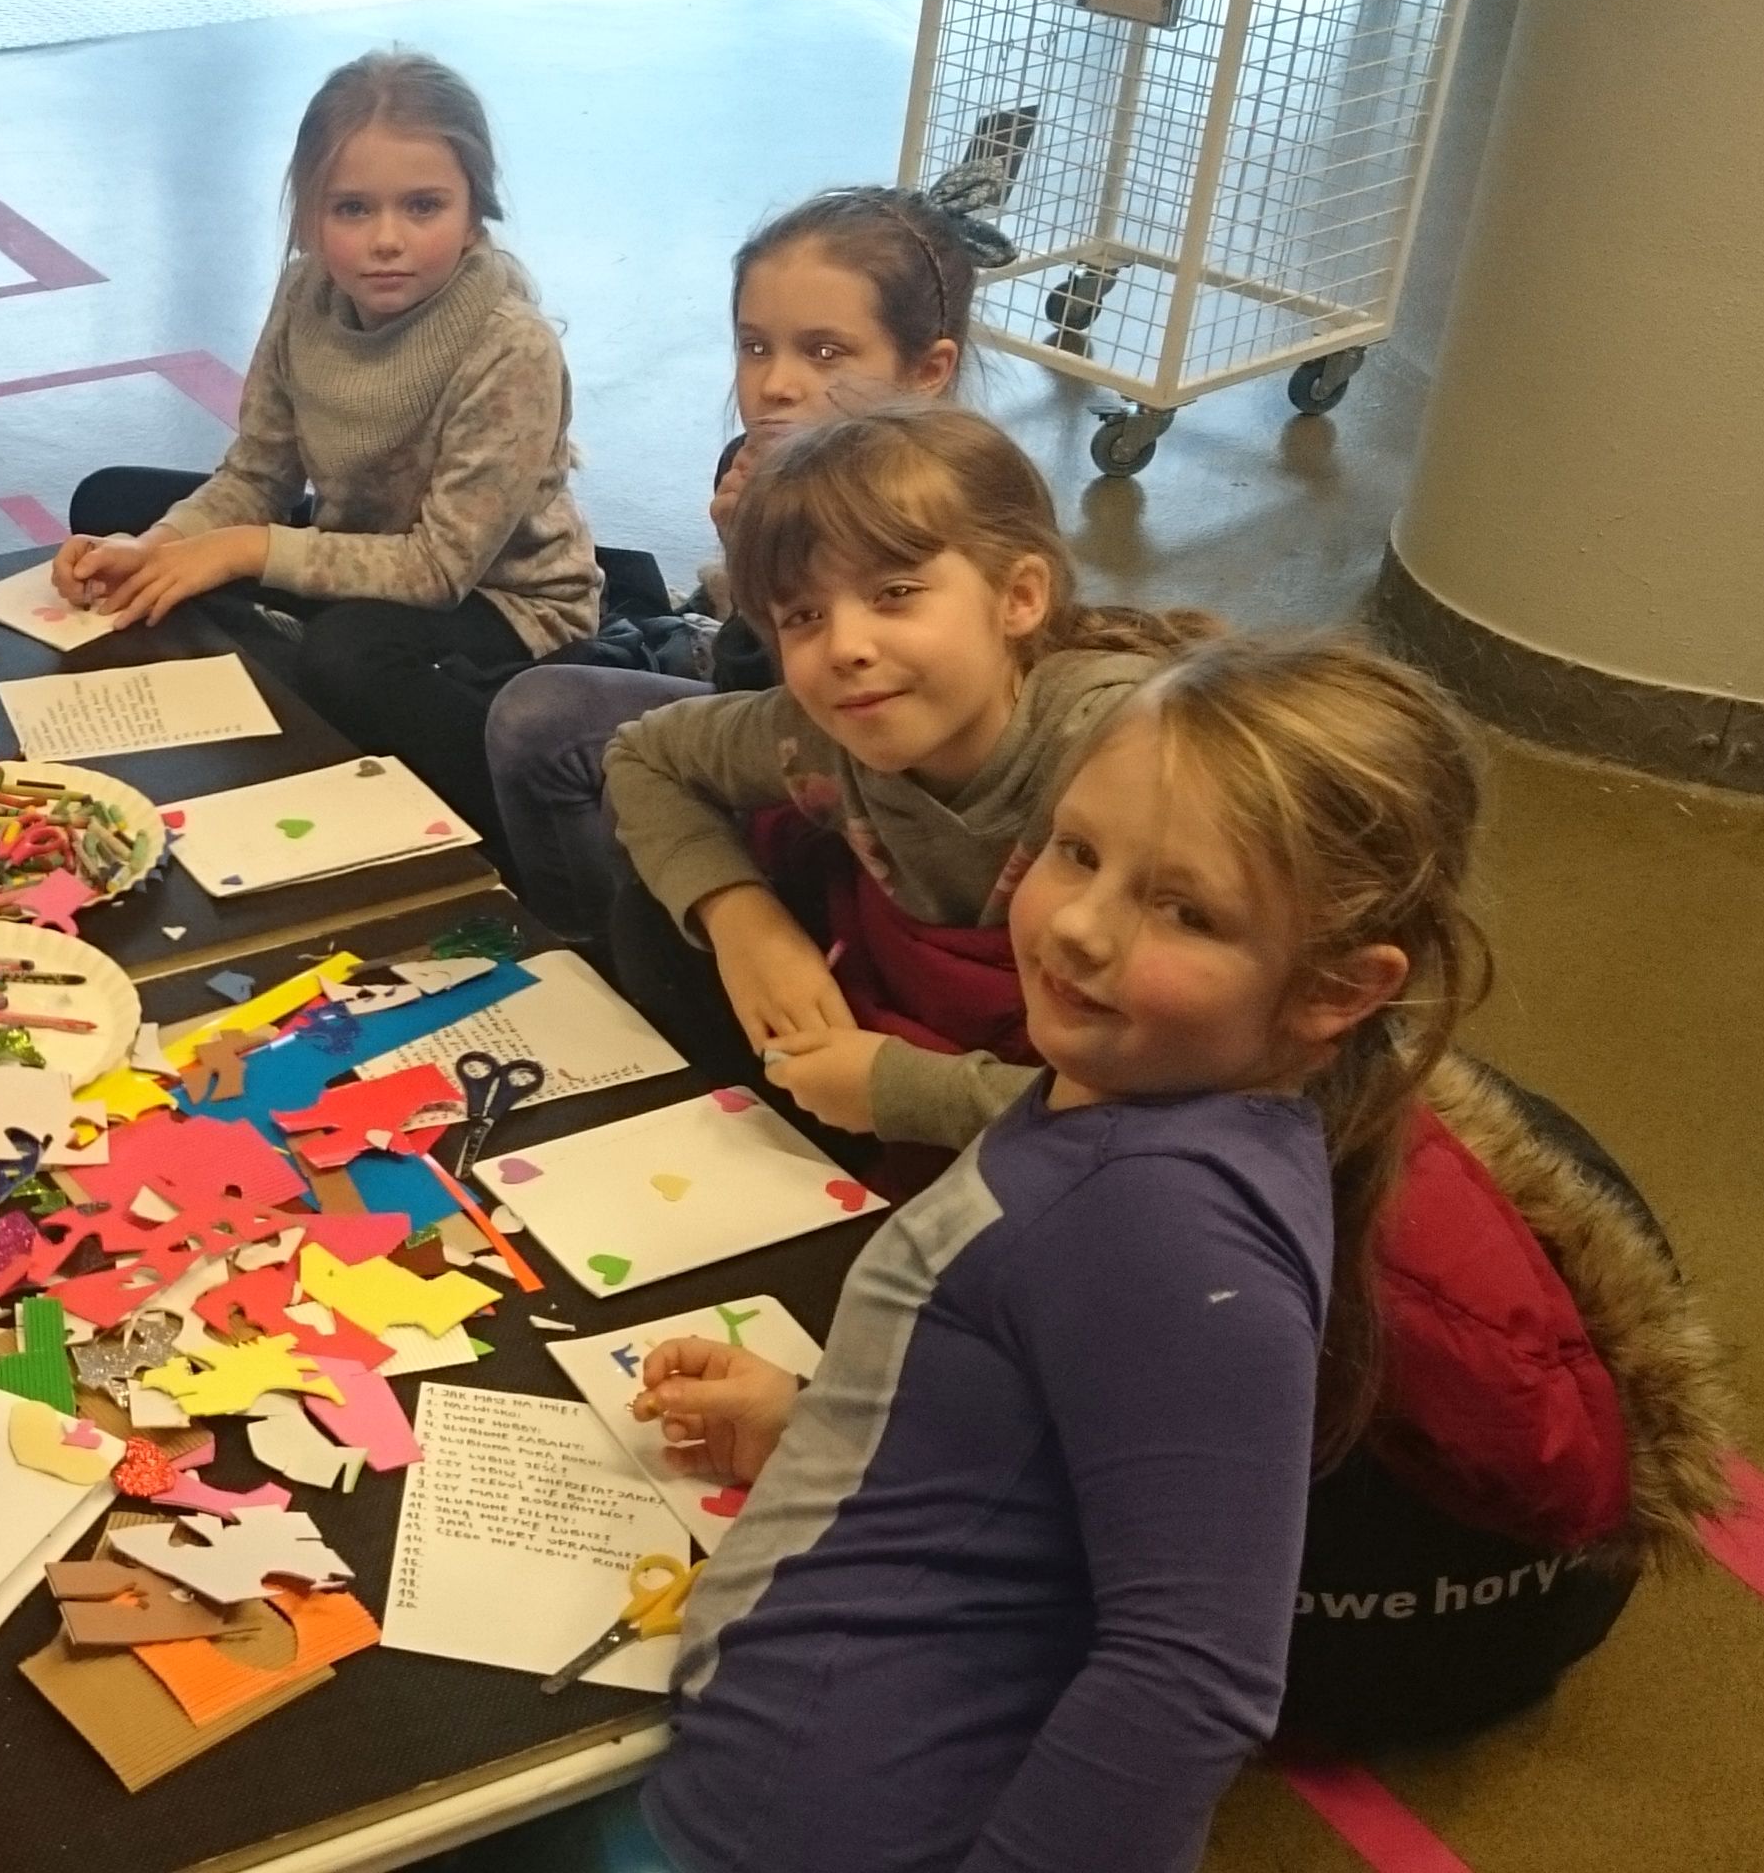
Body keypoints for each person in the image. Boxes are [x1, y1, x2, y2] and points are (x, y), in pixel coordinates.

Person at [628, 634, 1482, 1871]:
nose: (1079, 927)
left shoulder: (1161, 1221)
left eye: (1184, 911)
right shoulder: (1138, 1105)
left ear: (1336, 990)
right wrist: (824, 1426)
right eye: (1078, 852)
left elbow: (1190, 1678)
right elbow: (1056, 1448)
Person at [597, 399, 1214, 1160]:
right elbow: (643, 756)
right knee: (654, 920)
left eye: (895, 593)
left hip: (1098, 1145)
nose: (845, 647)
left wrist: (909, 1093)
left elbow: (1202, 1116)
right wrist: (743, 921)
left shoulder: (1132, 758)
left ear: (1020, 596)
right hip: (926, 1056)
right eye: (803, 616)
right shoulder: (820, 731)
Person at [51, 50, 596, 839]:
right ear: (310, 216)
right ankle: (292, 686)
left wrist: (240, 552)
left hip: (502, 600)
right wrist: (156, 546)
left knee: (346, 654)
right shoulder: (306, 292)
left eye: (423, 207)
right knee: (111, 502)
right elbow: (258, 474)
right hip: (360, 548)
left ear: (476, 210)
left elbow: (440, 568)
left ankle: (505, 822)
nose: (387, 240)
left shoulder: (511, 349)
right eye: (351, 210)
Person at [485, 187, 975, 946]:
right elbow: (740, 689)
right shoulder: (761, 465)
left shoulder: (946, 517)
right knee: (534, 715)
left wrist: (761, 567)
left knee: (652, 825)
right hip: (769, 713)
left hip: (877, 778)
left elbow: (817, 719)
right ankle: (582, 956)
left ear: (927, 372)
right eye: (755, 347)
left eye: (825, 353)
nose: (776, 384)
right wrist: (749, 571)